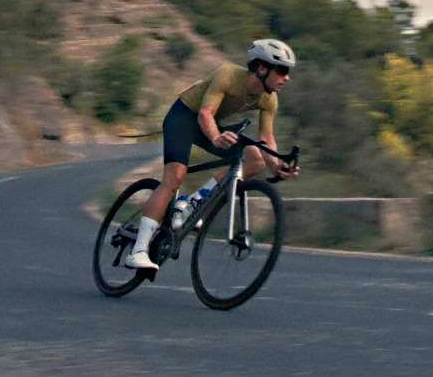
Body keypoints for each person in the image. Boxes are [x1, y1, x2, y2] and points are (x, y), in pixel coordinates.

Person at [125, 38, 301, 271]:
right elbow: (205, 113)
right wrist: (216, 137)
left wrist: (277, 166)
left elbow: (266, 139)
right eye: (282, 71)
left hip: (209, 125)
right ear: (261, 68)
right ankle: (138, 250)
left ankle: (193, 202)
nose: (286, 78)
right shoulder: (228, 74)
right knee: (175, 178)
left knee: (256, 159)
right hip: (184, 117)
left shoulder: (269, 99)